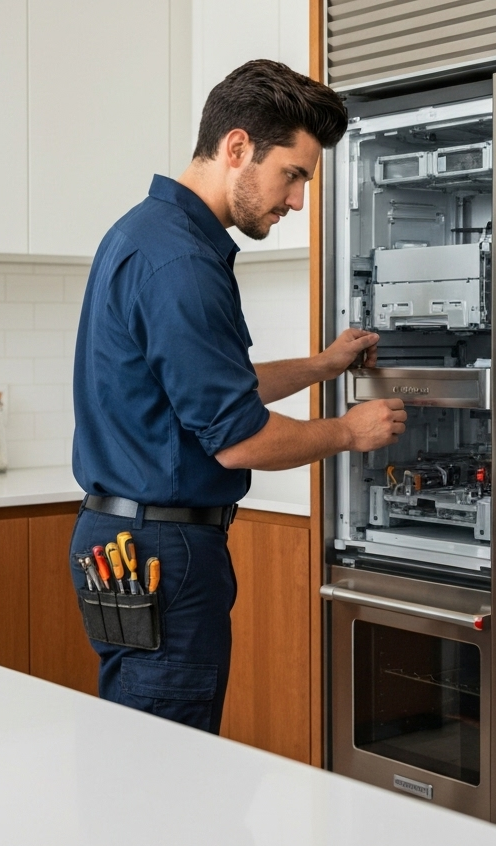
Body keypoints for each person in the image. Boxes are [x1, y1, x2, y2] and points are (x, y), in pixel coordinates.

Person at [69, 59, 406, 733]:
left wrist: (322, 364)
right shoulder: (182, 262)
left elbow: (216, 388)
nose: (299, 200)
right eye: (295, 174)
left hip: (130, 540)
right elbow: (239, 439)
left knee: (142, 753)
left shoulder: (150, 233)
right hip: (163, 553)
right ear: (237, 149)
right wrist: (350, 431)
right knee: (164, 770)